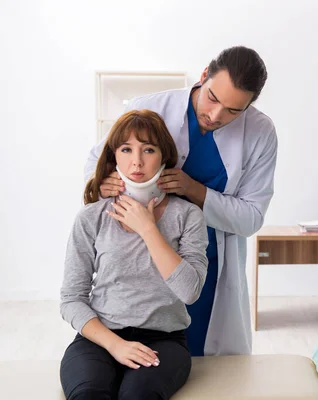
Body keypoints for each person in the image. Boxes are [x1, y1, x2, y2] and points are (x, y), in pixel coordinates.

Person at [84, 45, 278, 356]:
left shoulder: (260, 132)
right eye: (213, 98)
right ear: (204, 76)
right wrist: (104, 180)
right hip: (139, 262)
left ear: (250, 107)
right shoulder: (149, 107)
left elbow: (251, 218)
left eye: (233, 111)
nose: (215, 115)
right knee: (144, 355)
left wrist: (193, 190)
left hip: (209, 262)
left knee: (202, 361)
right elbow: (97, 162)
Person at [60, 109, 209, 399]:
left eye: (148, 149)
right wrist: (115, 344)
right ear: (114, 157)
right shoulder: (91, 217)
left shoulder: (188, 216)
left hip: (164, 340)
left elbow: (190, 292)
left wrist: (148, 229)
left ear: (164, 158)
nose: (137, 161)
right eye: (126, 149)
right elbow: (70, 299)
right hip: (98, 339)